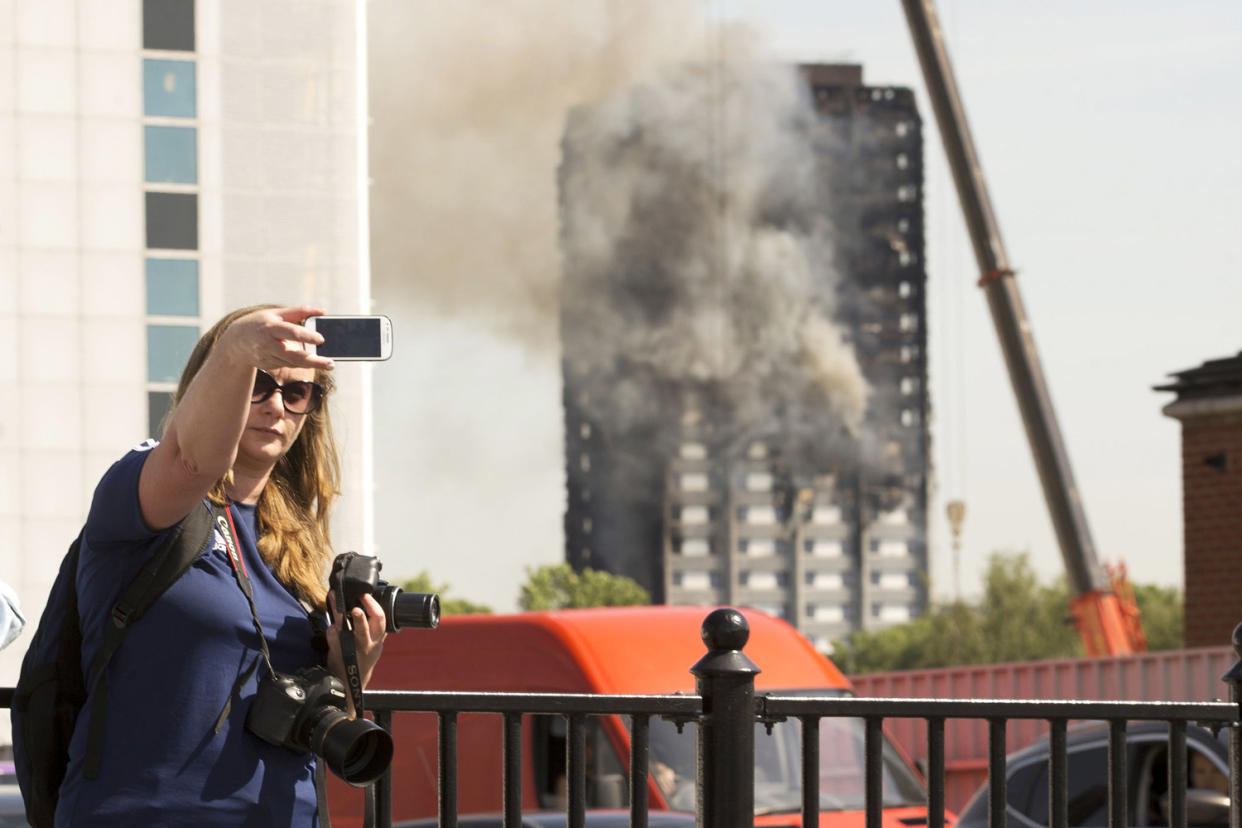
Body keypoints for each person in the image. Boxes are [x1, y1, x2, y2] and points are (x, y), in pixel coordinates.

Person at [54, 305, 388, 826]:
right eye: (257, 382)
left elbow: (305, 715)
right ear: (214, 383)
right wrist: (237, 346)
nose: (275, 405)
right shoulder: (149, 489)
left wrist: (349, 668)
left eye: (296, 392)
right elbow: (192, 462)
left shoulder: (296, 545)